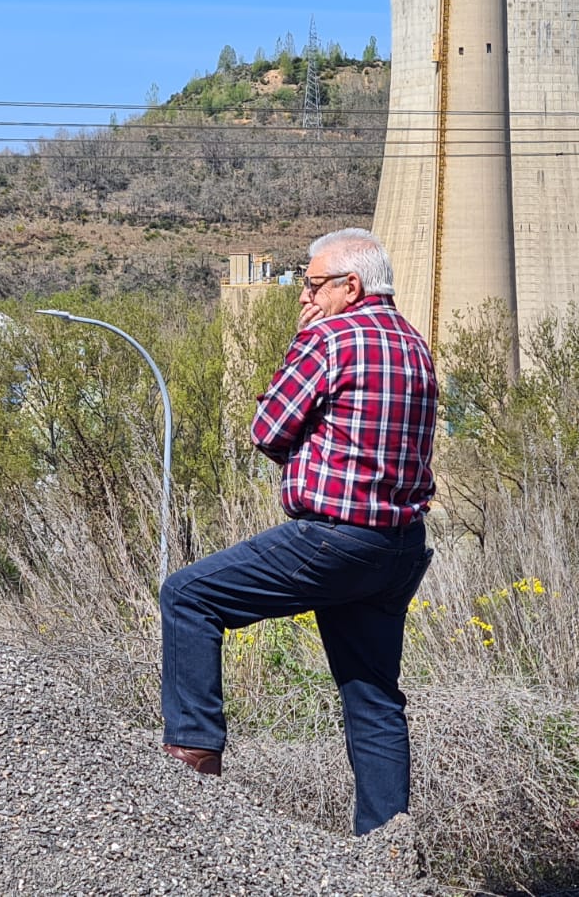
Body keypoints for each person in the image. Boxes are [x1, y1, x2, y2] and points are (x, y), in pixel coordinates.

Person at [157, 228, 438, 836]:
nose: (305, 297)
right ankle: (387, 847)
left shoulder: (330, 338)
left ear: (351, 285)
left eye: (311, 285)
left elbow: (269, 428)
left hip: (335, 538)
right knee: (373, 697)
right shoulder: (416, 345)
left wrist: (303, 351)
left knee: (188, 595)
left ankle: (191, 764)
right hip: (399, 547)